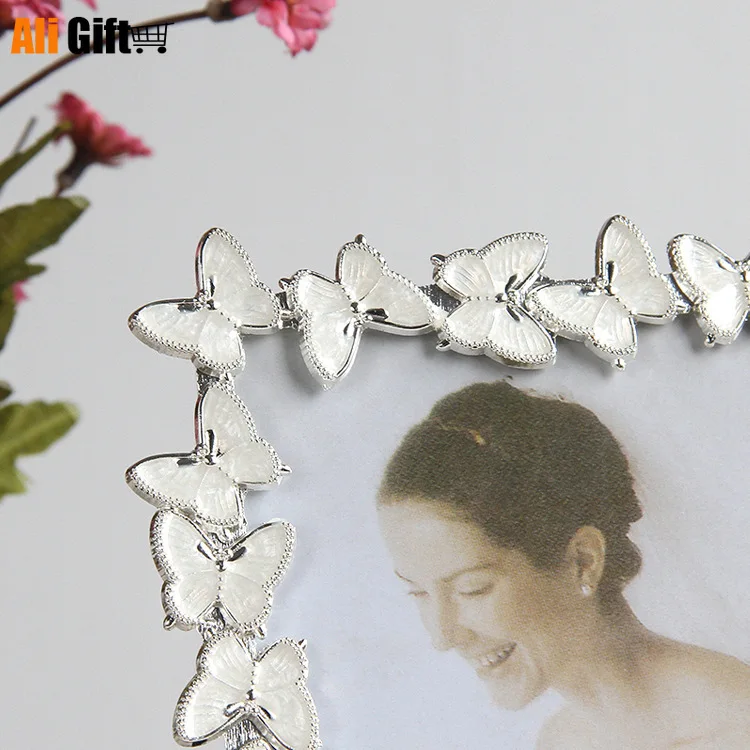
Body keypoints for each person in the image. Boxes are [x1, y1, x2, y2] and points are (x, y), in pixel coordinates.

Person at [377, 381, 750, 749]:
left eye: (472, 589)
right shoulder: (560, 741)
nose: (442, 637)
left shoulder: (734, 726)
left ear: (583, 561)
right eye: (419, 592)